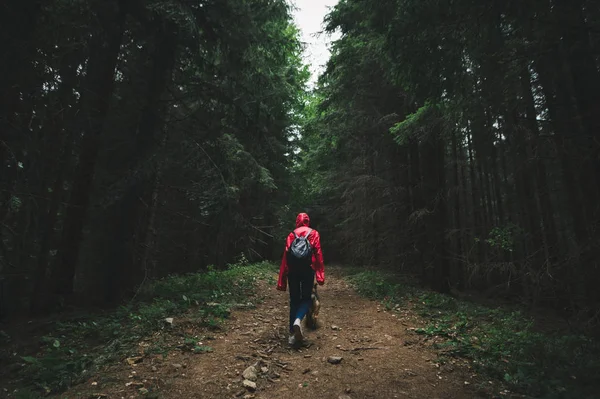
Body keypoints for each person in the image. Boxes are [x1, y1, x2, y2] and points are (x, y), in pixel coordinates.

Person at [277, 213, 325, 345]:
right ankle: (298, 319)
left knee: (294, 300)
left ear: (297, 221)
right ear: (308, 221)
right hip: (308, 270)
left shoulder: (291, 235)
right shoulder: (314, 233)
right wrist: (320, 275)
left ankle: (292, 335)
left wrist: (282, 280)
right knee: (306, 299)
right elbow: (318, 254)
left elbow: (285, 259)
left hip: (292, 271)